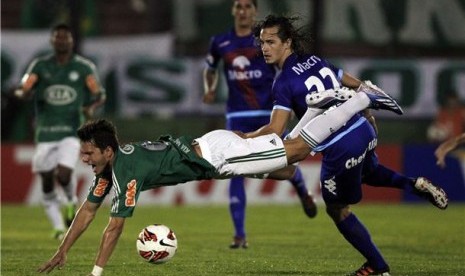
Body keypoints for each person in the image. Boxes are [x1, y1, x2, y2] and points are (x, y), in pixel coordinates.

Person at [37, 86, 413, 275]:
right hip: (213, 152)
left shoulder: (125, 170)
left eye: (88, 153)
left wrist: (96, 273)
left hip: (218, 155)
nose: (83, 159)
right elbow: (88, 212)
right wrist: (63, 250)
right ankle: (317, 105)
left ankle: (359, 100)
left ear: (106, 150)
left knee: (296, 152)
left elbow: (114, 226)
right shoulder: (110, 170)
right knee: (285, 167)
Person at [249, 15, 448, 276]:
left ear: (287, 42)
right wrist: (369, 113)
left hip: (340, 146)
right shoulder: (316, 61)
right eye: (262, 42)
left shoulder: (283, 82)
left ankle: (378, 268)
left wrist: (243, 138)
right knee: (369, 171)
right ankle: (413, 184)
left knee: (337, 209)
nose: (264, 48)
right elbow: (356, 84)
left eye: (271, 41)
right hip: (363, 128)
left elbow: (275, 130)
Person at [202, 0, 315, 249]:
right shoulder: (220, 42)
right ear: (233, 11)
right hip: (237, 114)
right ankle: (240, 234)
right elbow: (210, 68)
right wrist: (209, 88)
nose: (242, 10)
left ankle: (299, 184)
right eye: (238, 6)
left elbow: (287, 67)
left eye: (247, 6)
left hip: (269, 112)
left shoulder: (265, 41)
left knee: (282, 164)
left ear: (254, 10)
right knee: (233, 170)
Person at [14, 23, 106, 240]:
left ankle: (71, 201)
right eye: (58, 38)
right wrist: (22, 93)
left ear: (71, 41)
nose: (61, 41)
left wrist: (90, 108)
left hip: (71, 131)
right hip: (45, 132)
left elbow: (99, 94)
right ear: (52, 41)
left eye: (65, 38)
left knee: (63, 174)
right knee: (46, 180)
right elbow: (26, 86)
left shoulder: (83, 68)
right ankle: (57, 226)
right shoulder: (40, 66)